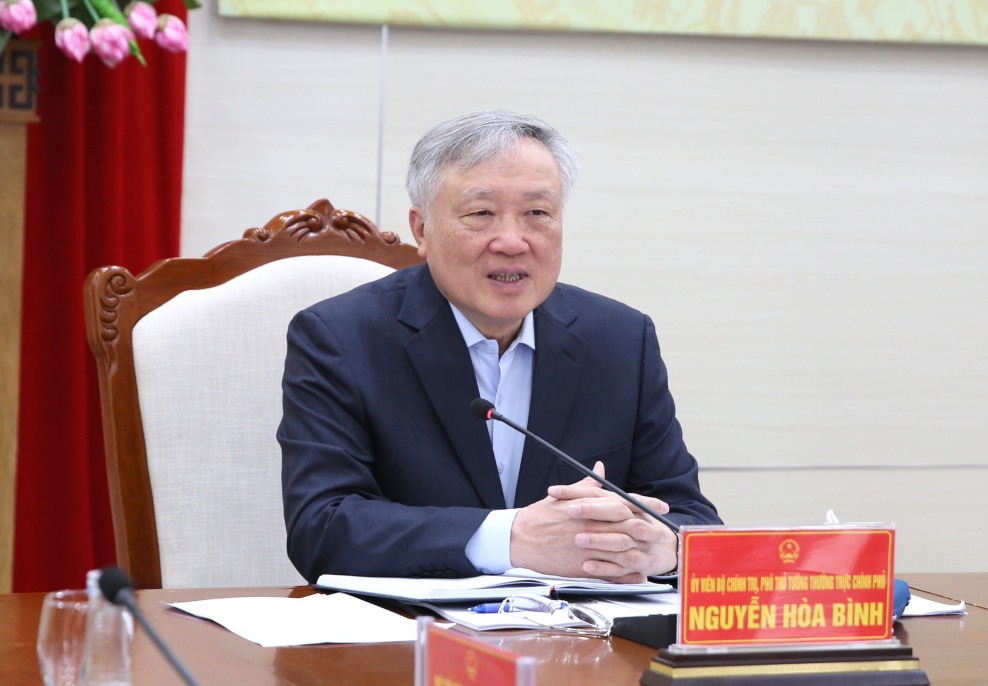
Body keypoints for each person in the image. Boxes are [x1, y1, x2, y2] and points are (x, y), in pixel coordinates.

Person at [278, 110, 721, 584]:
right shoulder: (339, 339)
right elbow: (321, 527)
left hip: (581, 644)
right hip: (404, 640)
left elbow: (691, 518)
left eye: (537, 214)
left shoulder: (620, 340)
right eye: (481, 213)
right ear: (422, 230)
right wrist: (512, 538)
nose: (512, 242)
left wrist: (665, 547)